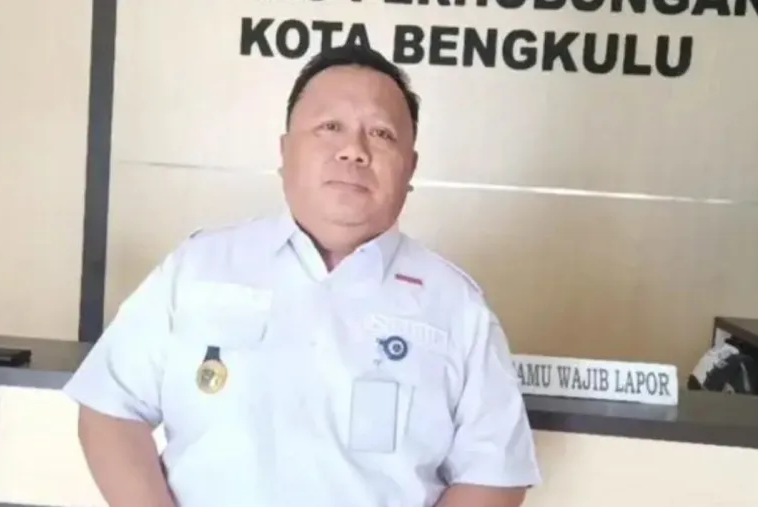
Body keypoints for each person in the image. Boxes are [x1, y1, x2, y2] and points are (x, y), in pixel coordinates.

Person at [63, 43, 542, 507]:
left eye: (381, 134)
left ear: (410, 167)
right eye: (330, 127)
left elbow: (494, 474)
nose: (354, 151)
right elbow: (110, 409)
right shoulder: (199, 266)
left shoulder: (456, 306)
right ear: (285, 150)